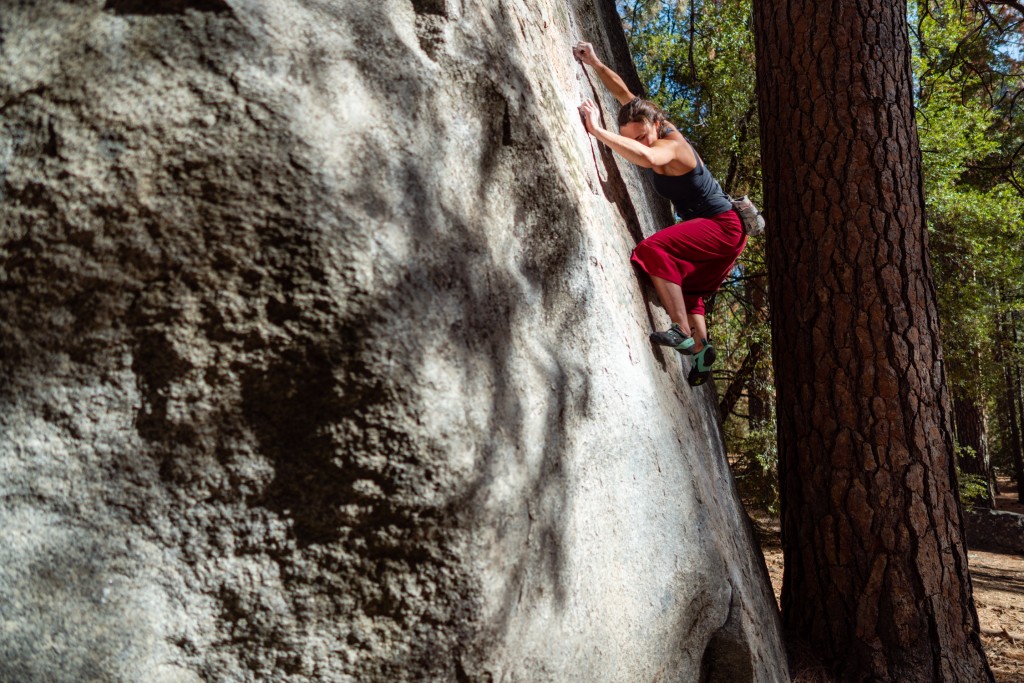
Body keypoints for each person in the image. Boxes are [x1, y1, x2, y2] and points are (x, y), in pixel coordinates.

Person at [573, 41, 746, 387]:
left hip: (723, 225)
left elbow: (648, 158)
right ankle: (700, 351)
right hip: (728, 236)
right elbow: (623, 92)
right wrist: (594, 61)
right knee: (690, 291)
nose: (642, 141)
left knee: (652, 250)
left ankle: (681, 331)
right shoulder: (646, 119)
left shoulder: (672, 146)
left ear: (655, 122)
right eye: (633, 138)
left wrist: (596, 131)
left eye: (643, 135)